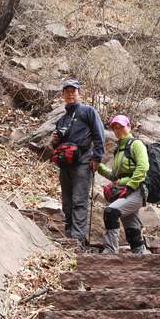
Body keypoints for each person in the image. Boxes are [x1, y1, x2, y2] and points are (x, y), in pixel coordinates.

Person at [51, 80, 105, 247]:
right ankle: (68, 232)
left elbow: (99, 134)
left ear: (79, 93)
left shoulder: (88, 111)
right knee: (66, 201)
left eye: (73, 91)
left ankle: (77, 238)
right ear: (63, 95)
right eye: (67, 91)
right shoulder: (62, 119)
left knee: (79, 199)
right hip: (65, 164)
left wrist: (97, 157)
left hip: (83, 161)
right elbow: (58, 145)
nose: (70, 94)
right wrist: (55, 141)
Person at [98, 115, 151, 254]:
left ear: (129, 127)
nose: (118, 130)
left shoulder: (136, 144)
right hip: (124, 191)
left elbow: (143, 167)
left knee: (111, 212)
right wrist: (99, 167)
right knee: (131, 227)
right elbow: (115, 176)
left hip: (136, 191)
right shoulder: (119, 150)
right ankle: (141, 254)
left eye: (121, 126)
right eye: (115, 128)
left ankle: (110, 251)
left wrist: (130, 187)